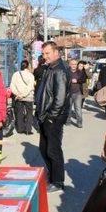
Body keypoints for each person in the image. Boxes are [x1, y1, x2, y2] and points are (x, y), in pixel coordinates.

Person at [35, 41, 71, 193]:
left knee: (53, 150)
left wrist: (51, 117)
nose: (45, 57)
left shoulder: (60, 70)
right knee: (44, 148)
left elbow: (60, 99)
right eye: (43, 54)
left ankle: (58, 181)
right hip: (45, 115)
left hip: (53, 118)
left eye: (47, 53)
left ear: (56, 53)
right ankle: (52, 174)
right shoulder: (50, 68)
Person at [9, 59, 36, 134]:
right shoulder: (30, 75)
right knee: (29, 113)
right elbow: (30, 87)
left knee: (19, 113)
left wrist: (18, 94)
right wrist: (23, 95)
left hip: (18, 97)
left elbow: (12, 86)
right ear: (28, 66)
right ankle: (28, 130)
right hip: (28, 97)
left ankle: (20, 129)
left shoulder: (16, 74)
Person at [68, 59, 87, 128]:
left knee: (78, 108)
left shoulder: (80, 72)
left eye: (75, 64)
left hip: (78, 93)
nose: (74, 66)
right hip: (69, 93)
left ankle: (79, 123)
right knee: (68, 108)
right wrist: (70, 81)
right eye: (72, 64)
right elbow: (63, 80)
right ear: (70, 65)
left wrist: (77, 80)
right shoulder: (66, 72)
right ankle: (68, 121)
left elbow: (84, 79)